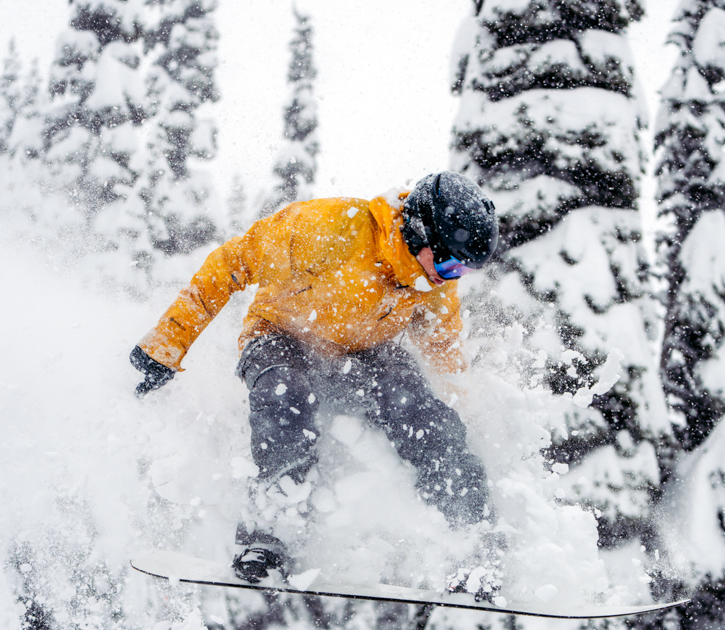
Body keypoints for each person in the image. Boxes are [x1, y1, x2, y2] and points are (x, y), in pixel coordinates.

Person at [130, 172, 504, 600]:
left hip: (366, 352)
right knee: (284, 393)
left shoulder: (431, 284)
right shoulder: (330, 229)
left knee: (420, 412)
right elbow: (231, 263)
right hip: (280, 337)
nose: (450, 277)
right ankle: (268, 537)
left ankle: (476, 546)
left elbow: (443, 349)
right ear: (419, 231)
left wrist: (464, 407)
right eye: (448, 263)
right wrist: (167, 343)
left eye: (462, 270)